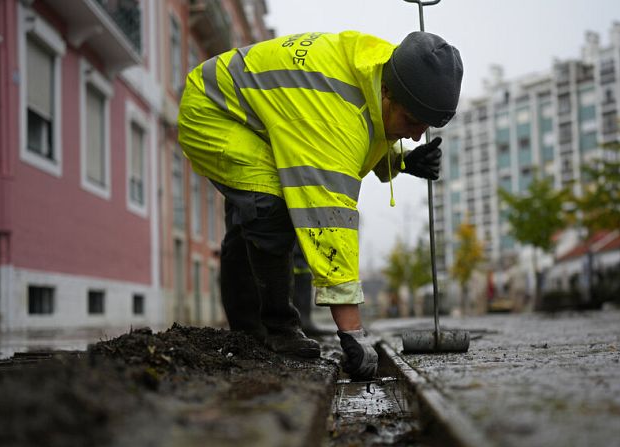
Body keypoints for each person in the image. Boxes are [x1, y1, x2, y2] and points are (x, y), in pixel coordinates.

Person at [178, 30, 463, 380]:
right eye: (412, 121)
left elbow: (365, 131)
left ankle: (248, 334)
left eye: (426, 127)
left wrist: (403, 160)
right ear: (387, 92)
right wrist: (352, 332)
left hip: (253, 116)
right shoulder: (334, 110)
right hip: (214, 110)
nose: (418, 134)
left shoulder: (382, 71)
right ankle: (278, 330)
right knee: (269, 207)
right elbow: (331, 223)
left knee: (248, 220)